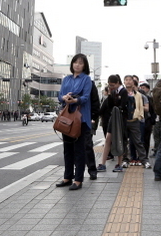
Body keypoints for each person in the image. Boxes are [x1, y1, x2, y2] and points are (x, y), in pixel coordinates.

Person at [55, 53, 93, 191]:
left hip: (80, 118)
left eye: (80, 63)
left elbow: (86, 97)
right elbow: (60, 96)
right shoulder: (66, 79)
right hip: (67, 119)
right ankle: (67, 177)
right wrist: (63, 97)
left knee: (79, 150)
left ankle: (78, 179)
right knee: (67, 149)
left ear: (84, 66)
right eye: (75, 62)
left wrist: (75, 100)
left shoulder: (86, 79)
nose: (77, 65)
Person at [97, 74, 128, 173]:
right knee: (108, 139)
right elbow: (110, 106)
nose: (111, 87)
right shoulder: (113, 92)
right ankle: (103, 163)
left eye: (112, 85)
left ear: (118, 83)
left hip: (120, 119)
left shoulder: (123, 92)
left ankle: (119, 163)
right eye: (109, 85)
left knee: (120, 140)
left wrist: (117, 102)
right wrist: (110, 95)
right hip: (112, 119)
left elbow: (122, 105)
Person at [122, 75, 151, 169]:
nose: (128, 82)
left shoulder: (138, 95)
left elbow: (141, 107)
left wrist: (140, 117)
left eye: (130, 80)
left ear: (133, 82)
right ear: (124, 82)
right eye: (126, 80)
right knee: (124, 141)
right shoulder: (122, 93)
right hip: (124, 120)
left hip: (135, 120)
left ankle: (144, 160)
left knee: (138, 141)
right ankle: (125, 159)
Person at [85, 81, 100, 181]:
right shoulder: (70, 81)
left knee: (87, 145)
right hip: (73, 118)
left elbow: (95, 102)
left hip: (87, 118)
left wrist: (93, 117)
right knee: (71, 147)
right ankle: (71, 173)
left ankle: (92, 170)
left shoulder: (90, 84)